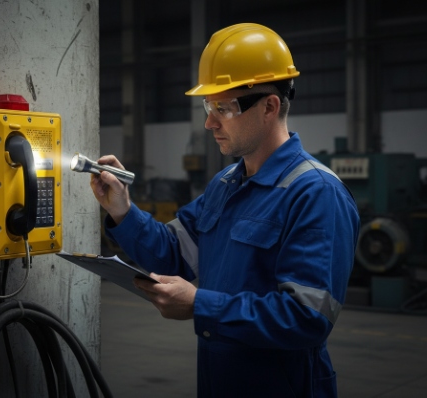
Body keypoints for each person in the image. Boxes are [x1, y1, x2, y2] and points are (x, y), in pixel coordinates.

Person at [90, 23, 360, 398]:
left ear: (270, 106)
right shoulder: (225, 185)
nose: (209, 122)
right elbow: (172, 253)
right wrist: (122, 209)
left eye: (224, 107)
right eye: (208, 105)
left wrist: (201, 304)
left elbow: (307, 318)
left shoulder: (316, 193)